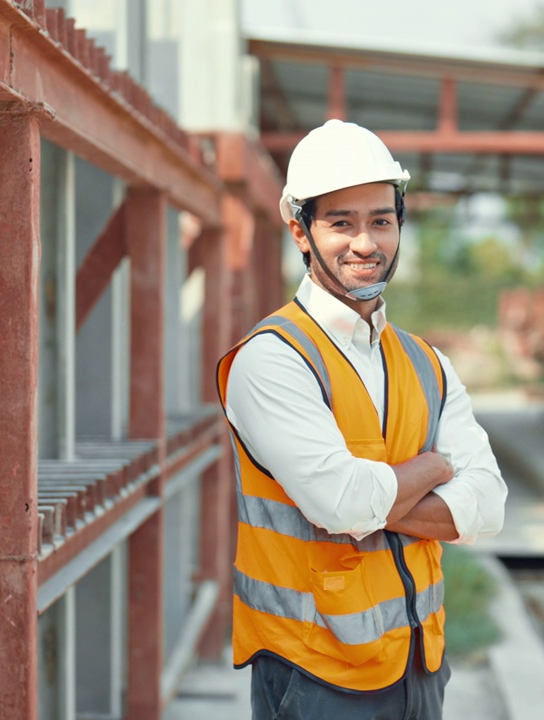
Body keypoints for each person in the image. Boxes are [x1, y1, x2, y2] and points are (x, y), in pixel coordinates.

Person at [216, 119, 508, 719]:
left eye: (380, 220)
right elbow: (342, 504)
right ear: (299, 229)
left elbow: (487, 506)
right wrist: (434, 467)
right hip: (314, 672)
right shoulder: (272, 359)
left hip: (418, 664)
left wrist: (373, 497)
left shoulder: (428, 364)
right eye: (341, 223)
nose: (365, 243)